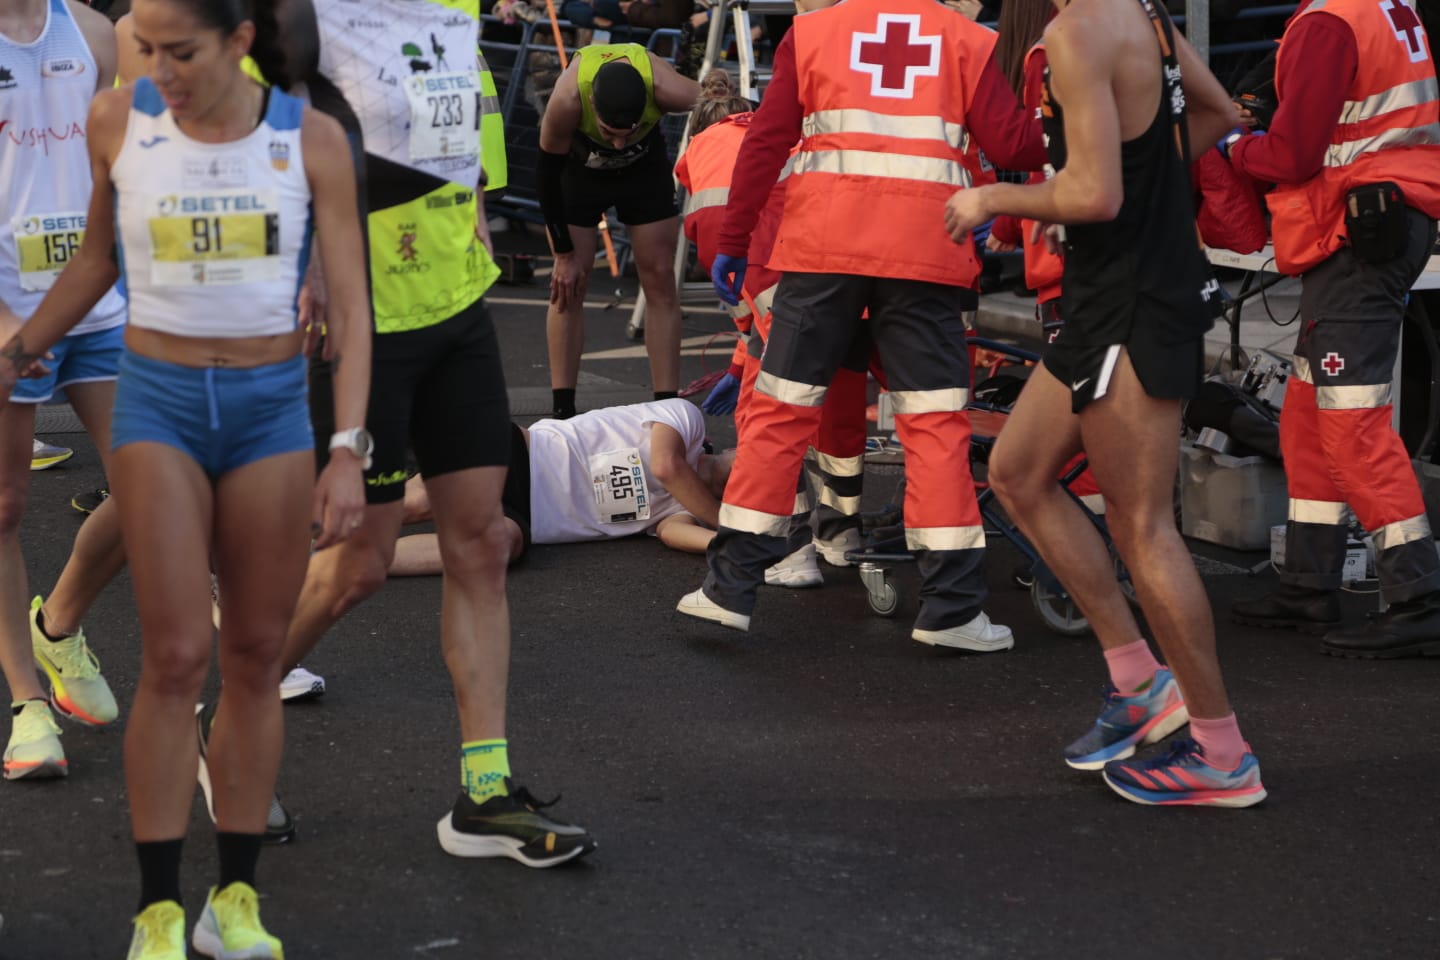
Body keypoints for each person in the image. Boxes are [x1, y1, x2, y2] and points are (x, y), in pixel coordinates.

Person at [0, 0, 372, 953]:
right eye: (145, 49)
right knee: (173, 661)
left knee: (252, 658)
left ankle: (233, 907)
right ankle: (160, 913)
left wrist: (347, 450)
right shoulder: (119, 119)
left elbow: (353, 313)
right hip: (159, 403)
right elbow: (95, 259)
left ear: (240, 42)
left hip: (270, 419)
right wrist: (19, 350)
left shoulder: (314, 141)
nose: (155, 67)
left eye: (179, 52)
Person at [265, 0, 597, 868]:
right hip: (361, 319)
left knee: (481, 544)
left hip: (457, 302)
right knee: (359, 565)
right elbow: (261, 132)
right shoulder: (306, 9)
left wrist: (476, 203)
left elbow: (454, 121)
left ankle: (484, 795)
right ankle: (232, 711)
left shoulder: (450, 2)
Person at [943, 0, 1266, 807]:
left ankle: (1222, 752)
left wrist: (996, 202)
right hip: (1113, 301)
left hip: (1130, 307)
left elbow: (1091, 196)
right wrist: (1132, 181)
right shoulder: (1144, 14)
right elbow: (1218, 113)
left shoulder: (1076, 31)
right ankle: (1138, 681)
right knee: (1017, 474)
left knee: (1142, 526)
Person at [676, 0, 1043, 652]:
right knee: (932, 424)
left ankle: (727, 590)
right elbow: (1013, 143)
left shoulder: (813, 33)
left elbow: (766, 140)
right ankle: (952, 609)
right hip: (926, 255)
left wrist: (735, 237)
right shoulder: (967, 39)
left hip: (819, 252)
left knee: (781, 412)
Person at [1228, 0, 1440, 658]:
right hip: (1379, 217)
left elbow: (1292, 155)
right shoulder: (1382, 5)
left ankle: (1419, 594)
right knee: (1308, 413)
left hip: (1358, 228)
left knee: (1351, 422)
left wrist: (1231, 149)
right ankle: (1307, 583)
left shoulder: (1328, 20)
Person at [1, 0, 130, 782]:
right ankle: (26, 704)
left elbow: (116, 170)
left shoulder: (93, 32)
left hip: (95, 301)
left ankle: (59, 622)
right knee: (5, 504)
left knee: (153, 483)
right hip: (7, 305)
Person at [676, 71, 870, 569]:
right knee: (842, 413)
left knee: (771, 417)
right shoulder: (781, 134)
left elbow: (731, 271)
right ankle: (840, 535)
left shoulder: (700, 153)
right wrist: (743, 356)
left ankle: (788, 546)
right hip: (849, 270)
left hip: (782, 281)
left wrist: (746, 351)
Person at [389, 400, 777, 578]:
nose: (749, 476)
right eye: (753, 462)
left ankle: (357, 559)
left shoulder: (683, 508)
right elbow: (666, 465)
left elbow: (672, 533)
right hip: (521, 453)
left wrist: (730, 545)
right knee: (423, 500)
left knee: (498, 549)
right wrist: (731, 528)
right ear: (734, 446)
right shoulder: (685, 419)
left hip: (527, 520)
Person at [538, 42, 698, 419]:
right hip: (578, 173)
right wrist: (562, 255)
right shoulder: (567, 99)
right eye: (610, 132)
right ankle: (563, 411)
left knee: (660, 279)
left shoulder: (667, 87)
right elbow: (545, 177)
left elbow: (732, 105)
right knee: (567, 285)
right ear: (592, 104)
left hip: (643, 172)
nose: (618, 141)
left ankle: (667, 410)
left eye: (628, 130)